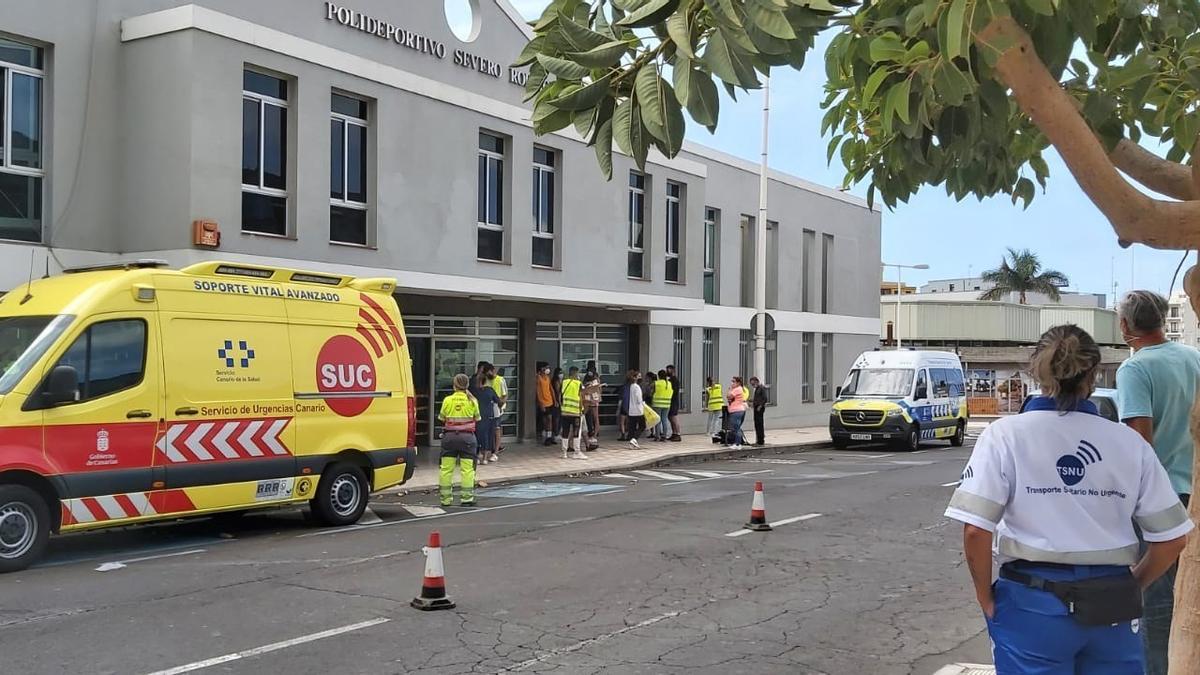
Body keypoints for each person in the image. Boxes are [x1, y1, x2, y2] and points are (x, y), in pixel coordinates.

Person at [945, 325, 1193, 674]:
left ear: (1037, 371)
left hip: (1032, 603)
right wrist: (1132, 585)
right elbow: (1172, 538)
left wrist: (984, 596)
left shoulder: (1004, 436)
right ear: (1092, 375)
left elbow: (976, 531)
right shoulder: (1128, 443)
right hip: (1112, 603)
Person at [1116, 290, 1200, 675]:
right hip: (1194, 491)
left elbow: (1139, 442)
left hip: (1159, 499)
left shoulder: (1135, 369)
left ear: (1125, 326)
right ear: (1163, 319)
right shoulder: (1194, 358)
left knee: (1156, 602)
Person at [437, 374, 481, 507]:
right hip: (467, 439)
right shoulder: (473, 400)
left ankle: (445, 499)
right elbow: (477, 418)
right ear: (467, 385)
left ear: (454, 385)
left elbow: (442, 417)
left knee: (446, 469)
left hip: (449, 438)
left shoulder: (447, 400)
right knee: (467, 470)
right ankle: (466, 498)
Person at [559, 366, 586, 460]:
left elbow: (560, 397)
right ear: (575, 373)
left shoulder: (564, 382)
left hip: (565, 412)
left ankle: (564, 452)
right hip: (575, 413)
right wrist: (582, 410)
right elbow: (581, 398)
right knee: (576, 432)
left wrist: (562, 407)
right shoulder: (578, 383)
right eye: (577, 373)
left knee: (565, 432)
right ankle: (577, 452)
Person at [489, 364, 508, 462]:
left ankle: (495, 452)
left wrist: (500, 406)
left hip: (497, 407)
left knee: (497, 428)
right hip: (488, 408)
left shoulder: (500, 380)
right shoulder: (486, 380)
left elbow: (504, 395)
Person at [581, 371, 603, 449]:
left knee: (594, 417)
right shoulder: (587, 381)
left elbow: (599, 390)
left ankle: (594, 435)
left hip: (593, 399)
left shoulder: (595, 381)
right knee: (585, 416)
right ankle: (588, 435)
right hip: (588, 399)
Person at [651, 369, 674, 442]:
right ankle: (664, 436)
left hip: (657, 403)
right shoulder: (669, 383)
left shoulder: (657, 383)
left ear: (659, 376)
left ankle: (657, 436)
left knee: (658, 420)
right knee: (664, 419)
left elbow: (650, 388)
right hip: (667, 404)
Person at [626, 370, 646, 449]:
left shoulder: (631, 386)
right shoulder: (637, 387)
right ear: (635, 377)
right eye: (639, 376)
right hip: (638, 410)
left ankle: (631, 442)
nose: (640, 377)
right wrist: (643, 402)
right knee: (642, 426)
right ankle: (634, 439)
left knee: (632, 427)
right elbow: (639, 399)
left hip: (632, 410)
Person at [726, 376, 747, 450]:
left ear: (738, 383)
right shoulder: (739, 389)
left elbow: (729, 396)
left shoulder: (737, 389)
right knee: (736, 427)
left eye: (733, 381)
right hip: (737, 410)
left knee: (736, 428)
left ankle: (737, 443)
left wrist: (730, 390)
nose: (732, 383)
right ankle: (737, 443)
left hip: (736, 411)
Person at [536, 362, 555, 446]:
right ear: (542, 368)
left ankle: (549, 437)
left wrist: (555, 400)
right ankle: (544, 437)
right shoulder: (538, 378)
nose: (547, 369)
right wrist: (540, 403)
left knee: (550, 419)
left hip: (549, 401)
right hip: (543, 402)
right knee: (544, 421)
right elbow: (538, 392)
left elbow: (551, 389)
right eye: (546, 368)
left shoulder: (548, 377)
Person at [749, 376, 769, 446]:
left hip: (759, 408)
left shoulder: (761, 388)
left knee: (759, 424)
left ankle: (760, 441)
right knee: (757, 424)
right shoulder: (757, 389)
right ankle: (758, 440)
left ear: (757, 381)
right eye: (752, 384)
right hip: (756, 407)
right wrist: (751, 401)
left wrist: (760, 406)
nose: (753, 385)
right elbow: (757, 398)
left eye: (753, 384)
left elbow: (765, 398)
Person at [665, 364, 683, 442]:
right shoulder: (670, 380)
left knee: (673, 417)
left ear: (672, 370)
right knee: (670, 417)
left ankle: (678, 434)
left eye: (668, 370)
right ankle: (674, 433)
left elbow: (674, 391)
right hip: (670, 401)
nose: (666, 371)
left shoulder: (674, 380)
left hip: (674, 401)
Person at [551, 367, 564, 444]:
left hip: (558, 402)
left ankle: (557, 433)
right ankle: (556, 434)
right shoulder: (556, 381)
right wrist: (559, 402)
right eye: (560, 373)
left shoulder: (560, 381)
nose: (561, 374)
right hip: (556, 403)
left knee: (558, 418)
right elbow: (558, 393)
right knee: (557, 418)